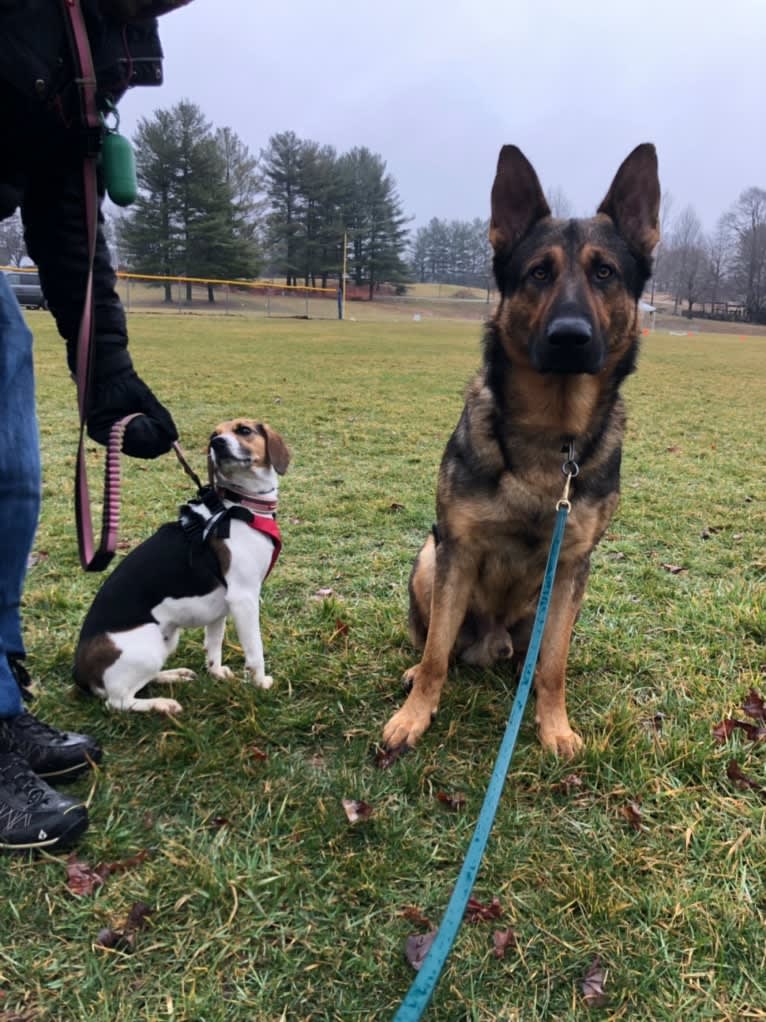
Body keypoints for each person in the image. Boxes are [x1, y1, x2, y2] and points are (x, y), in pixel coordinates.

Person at [0, 0, 191, 853]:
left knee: (12, 482)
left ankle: (2, 705)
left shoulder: (101, 28)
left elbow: (66, 201)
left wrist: (105, 374)